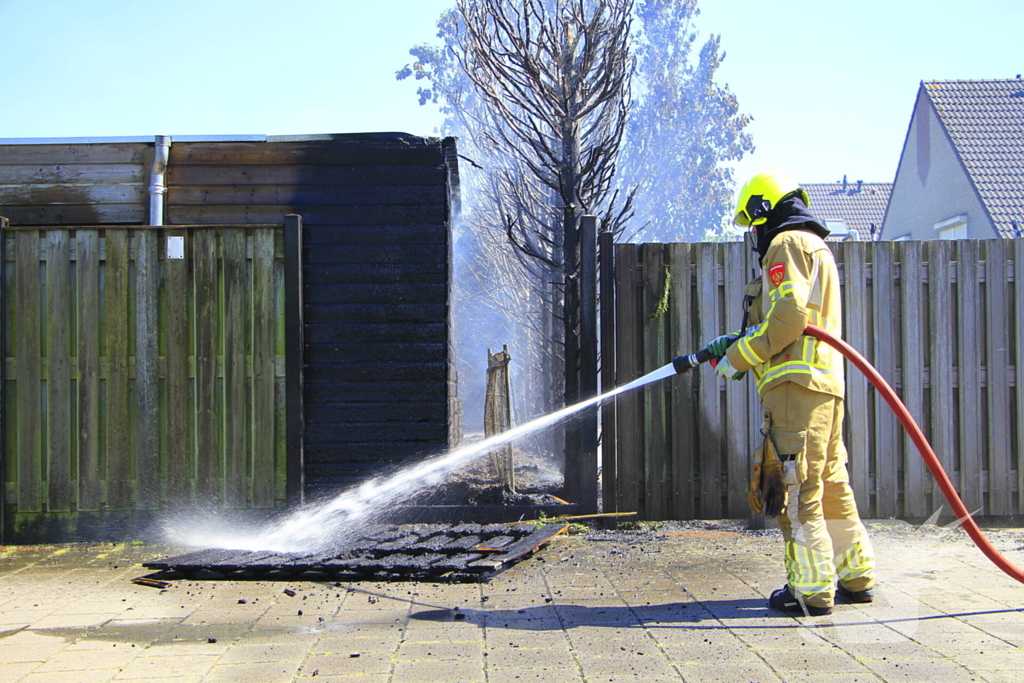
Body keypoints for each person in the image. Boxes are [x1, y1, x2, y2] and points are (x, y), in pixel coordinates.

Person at [708, 169, 875, 616]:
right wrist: (741, 343)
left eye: (753, 223)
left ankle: (811, 591)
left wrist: (740, 356)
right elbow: (792, 319)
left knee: (796, 492)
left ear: (765, 213)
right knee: (833, 484)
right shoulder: (816, 247)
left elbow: (788, 317)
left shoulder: (786, 243)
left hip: (795, 391)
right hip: (825, 388)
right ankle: (856, 577)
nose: (755, 234)